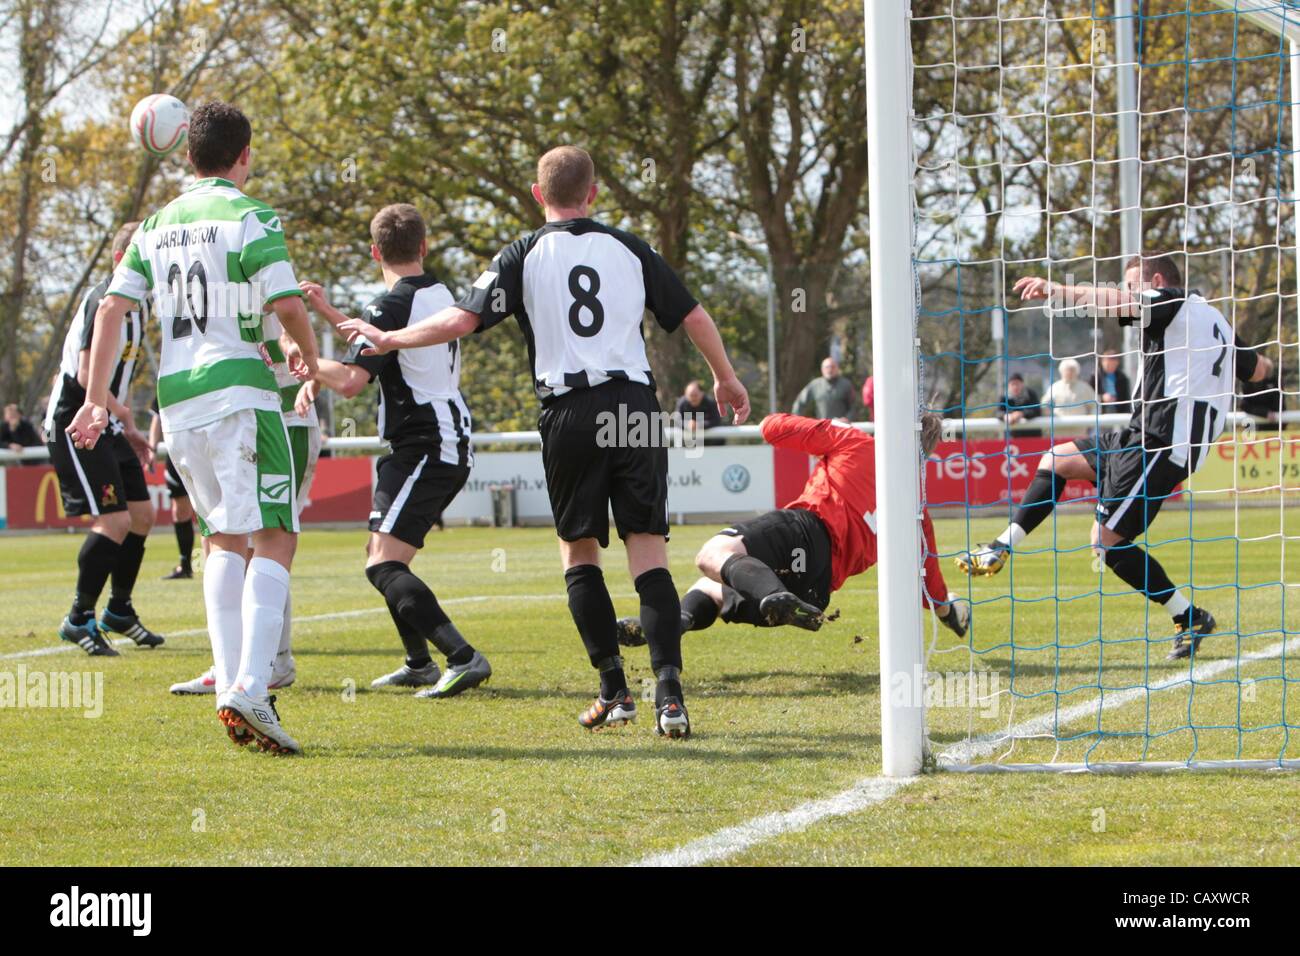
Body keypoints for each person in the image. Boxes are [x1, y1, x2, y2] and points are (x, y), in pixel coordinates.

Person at [334, 145, 751, 738]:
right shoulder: (631, 248)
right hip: (633, 406)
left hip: (569, 411)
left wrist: (390, 338)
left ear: (538, 194)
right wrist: (725, 377)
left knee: (580, 555)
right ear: (594, 194)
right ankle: (670, 697)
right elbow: (694, 316)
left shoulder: (522, 253)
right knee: (648, 556)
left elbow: (460, 320)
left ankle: (613, 690)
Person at [67, 101, 320, 753]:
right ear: (246, 156)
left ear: (186, 155)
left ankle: (234, 685)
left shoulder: (156, 223)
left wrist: (95, 400)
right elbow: (286, 303)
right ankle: (250, 688)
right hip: (239, 396)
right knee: (276, 535)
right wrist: (311, 357)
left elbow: (112, 312)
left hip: (178, 407)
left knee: (222, 540)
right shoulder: (250, 215)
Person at [957, 254, 1274, 660]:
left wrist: (1058, 290)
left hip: (1161, 443)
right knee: (1057, 459)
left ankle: (1189, 616)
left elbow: (1115, 302)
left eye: (1131, 285)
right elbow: (1260, 369)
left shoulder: (1169, 300)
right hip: (1138, 434)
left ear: (1157, 281)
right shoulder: (1217, 322)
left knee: (1105, 543)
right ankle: (999, 547)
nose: (1127, 294)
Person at [295, 203, 491, 700]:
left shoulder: (390, 308)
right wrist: (328, 313)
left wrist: (301, 357)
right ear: (423, 247)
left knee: (383, 565)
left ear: (374, 251)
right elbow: (382, 335)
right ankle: (419, 662)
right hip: (439, 440)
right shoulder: (438, 291)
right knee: (380, 554)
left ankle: (463, 657)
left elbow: (351, 382)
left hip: (427, 445)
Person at [615, 413, 969, 645]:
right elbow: (930, 585)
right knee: (715, 586)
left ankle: (772, 594)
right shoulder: (917, 510)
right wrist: (950, 613)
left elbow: (772, 428)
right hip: (818, 588)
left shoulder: (859, 443)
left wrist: (833, 425)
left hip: (807, 531)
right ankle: (672, 624)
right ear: (928, 453)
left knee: (712, 555)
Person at [43, 222, 164, 655]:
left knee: (142, 517)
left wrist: (128, 427)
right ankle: (79, 617)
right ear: (121, 260)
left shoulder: (142, 306)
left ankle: (119, 610)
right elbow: (82, 371)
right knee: (113, 521)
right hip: (77, 420)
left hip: (110, 425)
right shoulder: (103, 299)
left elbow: (120, 373)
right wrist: (124, 413)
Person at [149, 399, 196, 579]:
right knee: (180, 510)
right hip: (176, 451)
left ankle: (228, 560)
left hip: (205, 444)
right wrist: (152, 449)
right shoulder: (169, 375)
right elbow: (157, 417)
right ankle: (185, 566)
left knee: (213, 508)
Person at [792, 356, 856, 421]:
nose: (830, 370)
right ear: (822, 369)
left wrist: (847, 418)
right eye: (827, 367)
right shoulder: (815, 384)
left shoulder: (846, 384)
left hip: (841, 427)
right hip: (822, 427)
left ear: (837, 368)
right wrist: (797, 421)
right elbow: (800, 401)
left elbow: (853, 407)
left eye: (832, 367)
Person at [1091, 349, 1133, 416]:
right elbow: (1089, 395)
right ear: (1103, 362)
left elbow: (1126, 398)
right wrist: (1102, 398)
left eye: (1113, 364)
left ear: (1117, 363)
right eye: (1108, 364)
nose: (1110, 367)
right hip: (1100, 410)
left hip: (1118, 410)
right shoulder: (1095, 377)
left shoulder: (1123, 378)